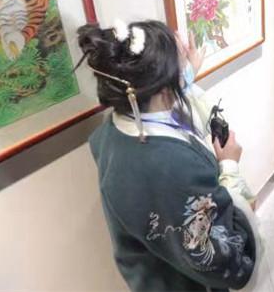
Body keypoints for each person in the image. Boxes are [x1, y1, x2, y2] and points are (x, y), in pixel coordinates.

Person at [80, 20, 259, 292]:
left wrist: (187, 74)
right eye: (180, 61)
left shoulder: (113, 129)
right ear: (163, 86)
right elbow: (224, 259)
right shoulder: (171, 166)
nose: (185, 64)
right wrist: (230, 166)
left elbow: (172, 101)